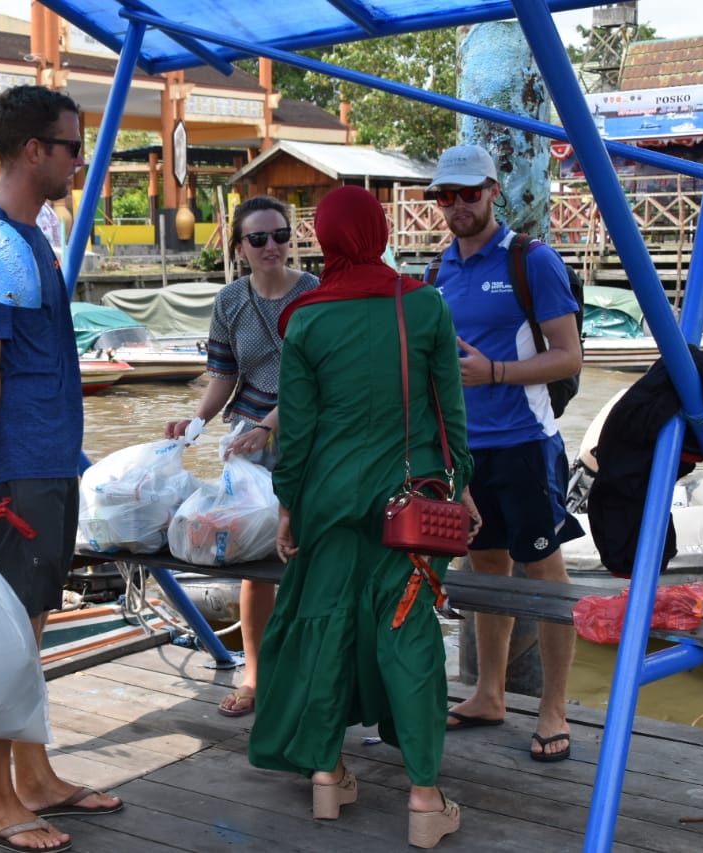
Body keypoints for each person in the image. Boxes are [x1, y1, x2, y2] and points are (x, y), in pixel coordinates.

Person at [248, 186, 478, 849]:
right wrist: (459, 483)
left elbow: (297, 433)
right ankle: (426, 799)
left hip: (327, 500)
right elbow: (451, 415)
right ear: (378, 232)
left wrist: (289, 505)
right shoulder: (425, 306)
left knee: (327, 631)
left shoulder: (305, 320)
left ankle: (327, 775)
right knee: (406, 634)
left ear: (324, 238)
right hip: (407, 505)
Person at [0, 84, 121, 853]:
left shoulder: (33, 238)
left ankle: (38, 776)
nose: (80, 160)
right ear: (31, 151)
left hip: (49, 462)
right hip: (16, 471)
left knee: (32, 630)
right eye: (71, 147)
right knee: (2, 637)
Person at [424, 144, 584, 762]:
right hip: (464, 453)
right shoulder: (441, 268)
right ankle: (489, 693)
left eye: (469, 193)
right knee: (483, 569)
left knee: (545, 575)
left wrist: (494, 372)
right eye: (446, 196)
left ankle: (553, 706)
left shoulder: (532, 261)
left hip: (524, 444)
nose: (457, 206)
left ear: (494, 191)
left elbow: (569, 357)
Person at [165, 195, 319, 718]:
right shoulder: (230, 301)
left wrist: (268, 425)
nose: (271, 246)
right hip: (248, 443)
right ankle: (254, 675)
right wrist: (197, 422)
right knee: (256, 563)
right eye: (259, 239)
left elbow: (318, 377)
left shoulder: (316, 294)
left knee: (314, 552)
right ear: (240, 247)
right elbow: (224, 374)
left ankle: (311, 672)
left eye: (280, 236)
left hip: (311, 436)